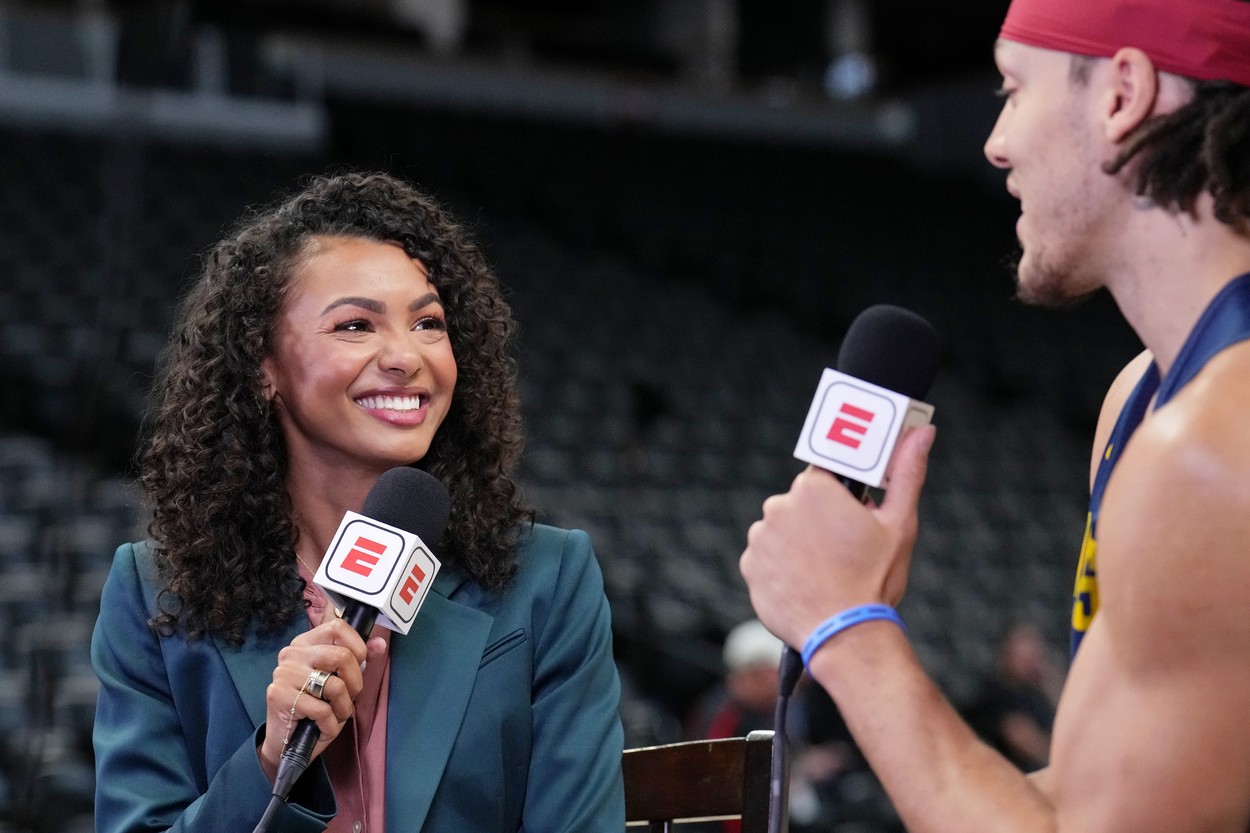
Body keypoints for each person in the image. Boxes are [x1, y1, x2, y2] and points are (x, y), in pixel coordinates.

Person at [739, 2, 1250, 832]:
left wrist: (847, 626)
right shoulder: (1144, 397)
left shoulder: (1215, 443)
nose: (996, 141)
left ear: (1122, 93)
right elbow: (1108, 792)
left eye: (1014, 90)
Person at [90, 172, 625, 832]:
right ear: (263, 365)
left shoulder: (550, 580)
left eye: (429, 321)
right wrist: (268, 762)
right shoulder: (151, 594)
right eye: (355, 324)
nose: (405, 355)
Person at [964, 621, 1062, 772]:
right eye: (1026, 652)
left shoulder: (1035, 693)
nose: (1033, 658)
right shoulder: (998, 694)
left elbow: (1067, 715)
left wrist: (1050, 681)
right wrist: (1062, 762)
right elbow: (1022, 739)